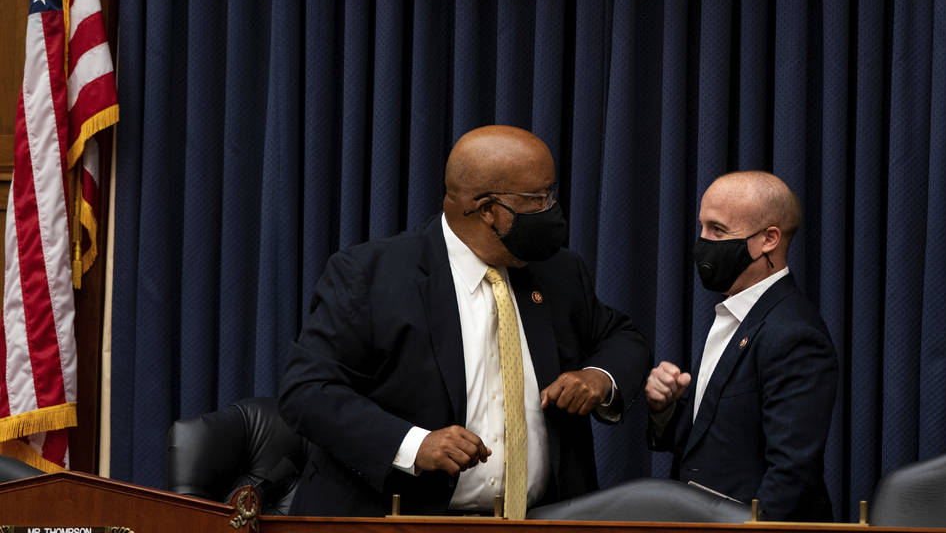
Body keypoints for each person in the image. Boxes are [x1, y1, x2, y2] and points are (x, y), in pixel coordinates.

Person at [280, 125, 651, 517]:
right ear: (488, 209)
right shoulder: (370, 275)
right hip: (400, 522)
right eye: (537, 199)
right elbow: (308, 390)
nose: (551, 210)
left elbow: (623, 337)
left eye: (550, 194)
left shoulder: (559, 271)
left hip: (540, 524)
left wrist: (598, 376)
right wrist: (412, 444)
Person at [644, 171, 838, 521]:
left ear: (769, 239)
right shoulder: (736, 313)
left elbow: (791, 472)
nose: (702, 242)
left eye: (717, 230)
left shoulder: (795, 335)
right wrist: (666, 408)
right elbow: (712, 440)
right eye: (701, 227)